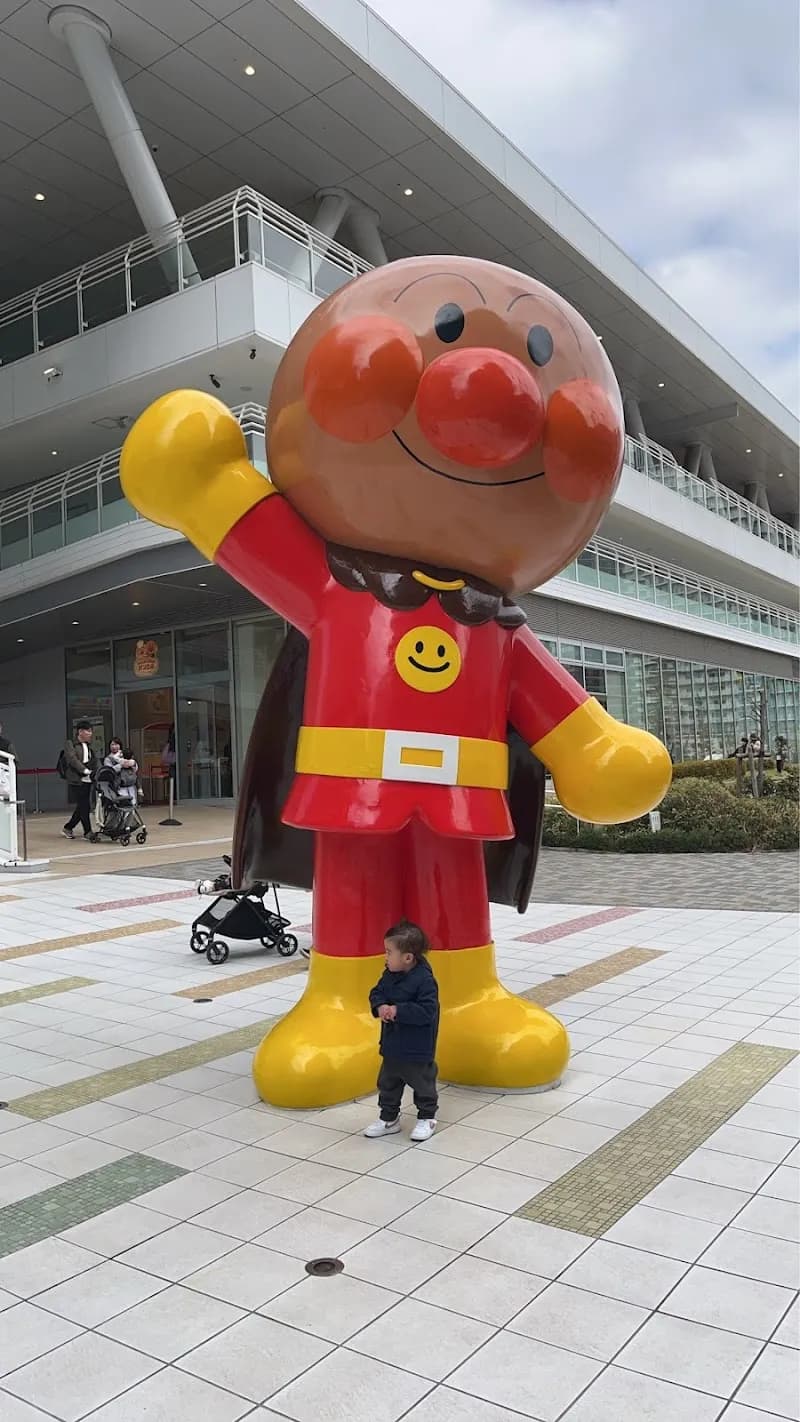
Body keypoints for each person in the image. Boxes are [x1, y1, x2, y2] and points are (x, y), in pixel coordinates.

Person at [364, 920, 440, 1143]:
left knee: (422, 1082)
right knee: (388, 1082)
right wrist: (379, 1006)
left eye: (388, 952)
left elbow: (427, 1011)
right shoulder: (389, 974)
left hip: (417, 1047)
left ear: (407, 957)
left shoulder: (425, 980)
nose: (385, 957)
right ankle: (389, 1118)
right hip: (392, 1043)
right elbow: (376, 992)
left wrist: (398, 1010)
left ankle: (427, 1117)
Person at [62, 720, 98, 839]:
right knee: (84, 805)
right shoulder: (70, 744)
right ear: (80, 731)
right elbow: (72, 760)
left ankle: (68, 827)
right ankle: (87, 832)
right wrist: (84, 770)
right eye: (88, 731)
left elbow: (93, 761)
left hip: (88, 780)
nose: (90, 734)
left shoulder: (88, 746)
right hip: (76, 780)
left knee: (82, 806)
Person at [105, 737, 139, 805]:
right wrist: (121, 765)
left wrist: (133, 763)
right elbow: (109, 771)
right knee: (123, 805)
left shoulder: (125, 754)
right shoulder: (108, 759)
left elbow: (135, 769)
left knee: (132, 804)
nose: (114, 747)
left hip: (130, 785)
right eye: (112, 745)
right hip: (118, 786)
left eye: (116, 744)